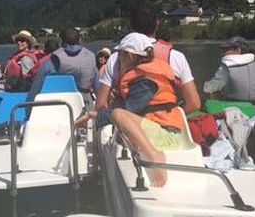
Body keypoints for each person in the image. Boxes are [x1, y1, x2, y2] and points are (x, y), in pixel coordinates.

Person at [75, 33, 184, 187]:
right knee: (117, 113)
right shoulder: (148, 73)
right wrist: (94, 114)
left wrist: (98, 116)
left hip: (166, 136)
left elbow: (127, 111)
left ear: (130, 56)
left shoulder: (145, 81)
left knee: (118, 113)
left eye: (120, 55)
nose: (118, 59)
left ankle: (154, 156)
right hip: (162, 130)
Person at [96, 4, 201, 114]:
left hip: (130, 124)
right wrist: (175, 117)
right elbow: (194, 103)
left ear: (131, 27)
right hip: (166, 124)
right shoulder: (175, 57)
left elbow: (101, 104)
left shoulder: (117, 58)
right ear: (157, 24)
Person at [27, 28, 97, 109]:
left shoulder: (54, 60)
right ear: (80, 40)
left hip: (61, 107)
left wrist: (28, 109)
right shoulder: (90, 58)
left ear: (61, 42)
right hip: (86, 107)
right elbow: (99, 87)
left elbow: (37, 86)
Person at [203, 36, 255, 114]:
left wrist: (206, 86)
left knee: (213, 90)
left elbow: (209, 88)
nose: (223, 54)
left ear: (237, 50)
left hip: (237, 112)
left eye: (226, 50)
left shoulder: (227, 67)